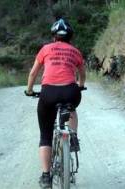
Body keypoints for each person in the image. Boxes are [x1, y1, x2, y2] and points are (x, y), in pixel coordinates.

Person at [25, 18, 86, 188]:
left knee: (45, 136)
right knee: (71, 107)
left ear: (54, 37)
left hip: (48, 93)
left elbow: (33, 73)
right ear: (70, 37)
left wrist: (30, 90)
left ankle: (46, 177)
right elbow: (82, 73)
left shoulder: (45, 49)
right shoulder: (75, 51)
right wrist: (80, 86)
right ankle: (72, 135)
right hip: (70, 91)